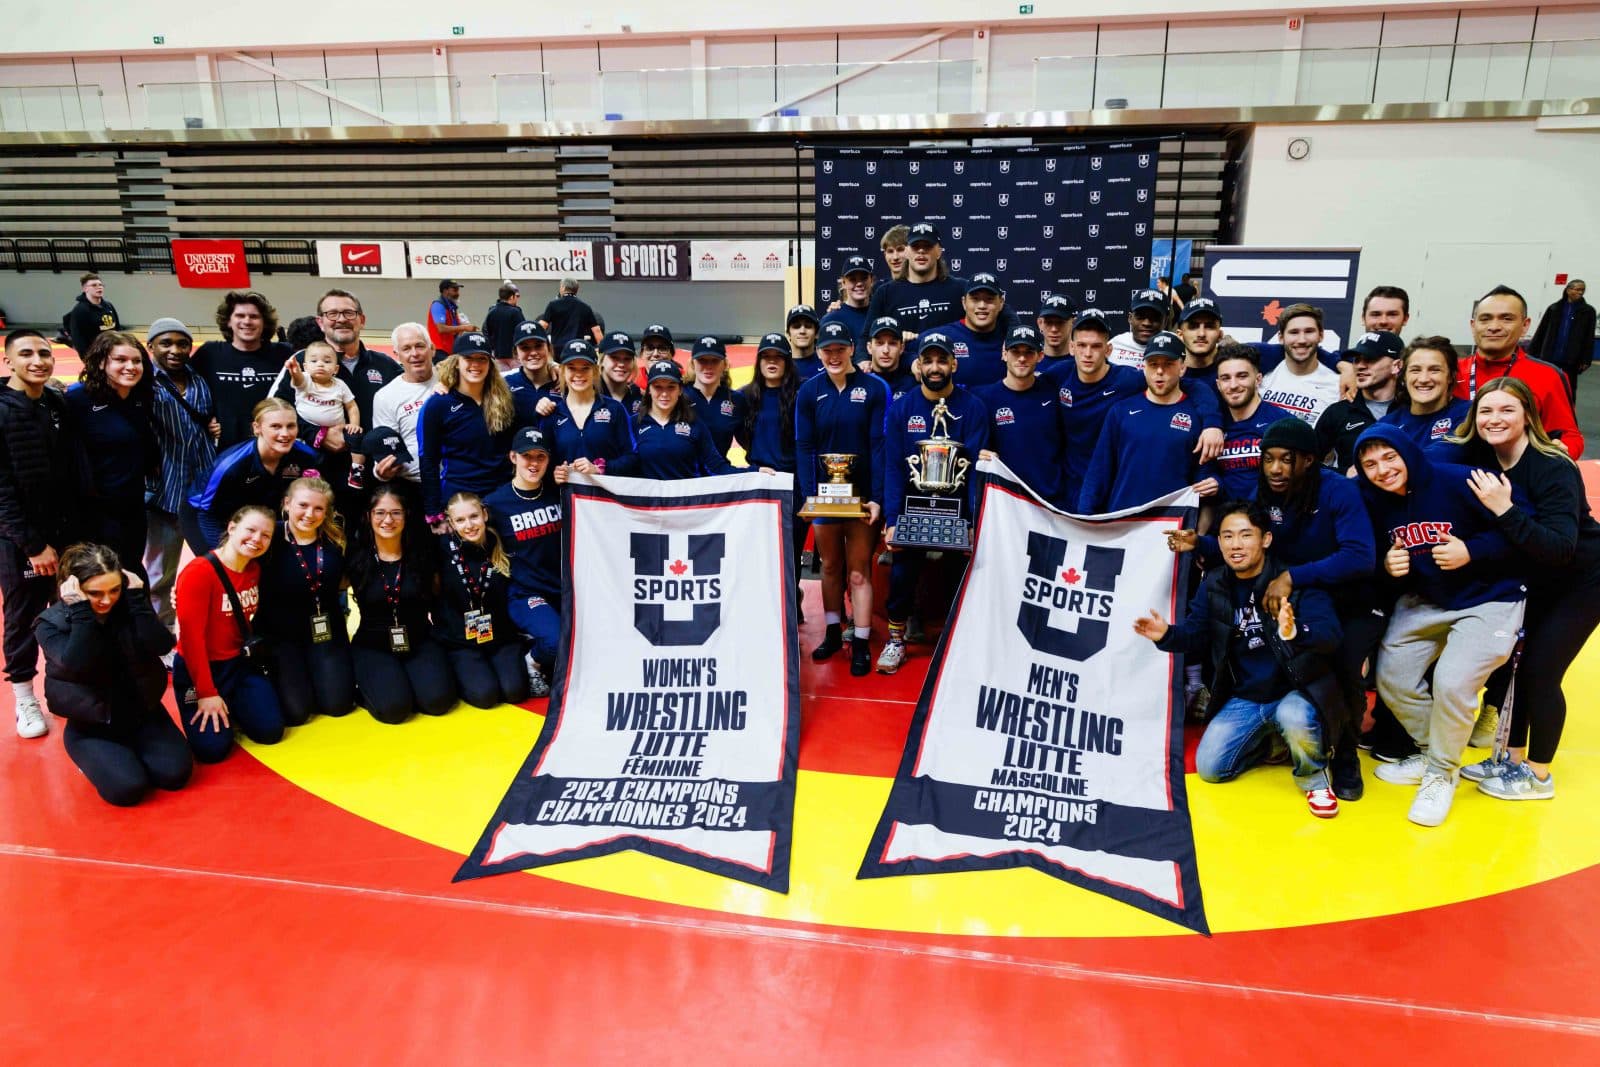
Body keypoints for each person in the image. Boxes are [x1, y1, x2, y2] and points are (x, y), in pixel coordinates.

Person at [1355, 424, 1525, 826]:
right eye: (1370, 464)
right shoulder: (1372, 500)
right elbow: (1371, 553)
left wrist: (1472, 550)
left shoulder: (1460, 479)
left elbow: (1523, 530)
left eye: (1389, 457)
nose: (1382, 470)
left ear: (1407, 454)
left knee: (1453, 679)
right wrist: (1386, 565)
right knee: (1392, 674)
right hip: (1429, 599)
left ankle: (1441, 773)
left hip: (1492, 597)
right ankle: (1433, 752)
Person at [1446, 378, 1600, 801]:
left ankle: (1538, 774)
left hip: (1582, 580)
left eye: (1506, 410)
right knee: (1515, 670)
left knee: (1541, 673)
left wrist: (1505, 509)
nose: (1495, 419)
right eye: (1486, 412)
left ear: (1528, 415)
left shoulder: (1553, 466)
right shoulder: (1484, 457)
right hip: (1536, 579)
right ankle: (1509, 759)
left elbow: (1560, 547)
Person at [1137, 502, 1343, 818]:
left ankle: (1314, 778)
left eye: (1246, 535)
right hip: (1246, 697)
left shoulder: (1292, 578)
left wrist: (1295, 631)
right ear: (1218, 542)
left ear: (1266, 540)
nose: (1235, 544)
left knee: (1293, 716)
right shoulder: (1214, 583)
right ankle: (1272, 743)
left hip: (1295, 691)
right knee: (1210, 769)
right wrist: (1166, 634)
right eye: (1227, 536)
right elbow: (1195, 635)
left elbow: (1330, 635)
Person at [35, 543, 192, 806]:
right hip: (92, 725)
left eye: (114, 589)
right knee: (128, 789)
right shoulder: (50, 623)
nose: (107, 600)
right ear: (73, 590)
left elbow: (162, 645)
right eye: (95, 593)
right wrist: (82, 613)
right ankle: (96, 758)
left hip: (144, 714)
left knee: (174, 775)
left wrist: (137, 601)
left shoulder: (129, 605)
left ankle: (128, 755)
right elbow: (78, 665)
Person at [879, 334, 989, 674]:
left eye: (942, 361)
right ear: (919, 366)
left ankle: (959, 639)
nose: (936, 367)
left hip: (955, 510)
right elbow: (894, 466)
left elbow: (975, 472)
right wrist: (893, 518)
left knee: (965, 575)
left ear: (953, 364)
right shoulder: (902, 408)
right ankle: (896, 639)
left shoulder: (972, 408)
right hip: (914, 508)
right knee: (902, 572)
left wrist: (972, 520)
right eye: (929, 361)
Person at [1, 328, 83, 739]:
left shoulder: (55, 404)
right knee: (23, 616)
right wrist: (32, 545)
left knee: (68, 607)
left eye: (45, 353)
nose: (38, 360)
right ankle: (23, 697)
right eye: (27, 354)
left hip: (64, 532)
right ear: (8, 361)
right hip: (21, 541)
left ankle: (63, 683)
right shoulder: (2, 410)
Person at [796, 322, 888, 675]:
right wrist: (809, 494)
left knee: (859, 572)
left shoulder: (874, 388)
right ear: (819, 352)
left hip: (861, 496)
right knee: (830, 568)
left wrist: (877, 497)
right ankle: (834, 633)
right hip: (825, 496)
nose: (833, 355)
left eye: (839, 348)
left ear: (852, 348)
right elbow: (805, 446)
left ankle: (861, 641)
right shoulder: (810, 392)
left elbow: (879, 444)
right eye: (827, 350)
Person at [172, 504, 286, 763]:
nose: (257, 539)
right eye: (250, 530)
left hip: (238, 663)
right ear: (232, 528)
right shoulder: (199, 572)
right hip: (199, 666)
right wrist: (206, 692)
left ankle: (235, 704)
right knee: (213, 750)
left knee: (270, 731)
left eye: (265, 535)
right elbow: (191, 641)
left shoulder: (254, 570)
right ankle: (220, 704)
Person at [345, 487, 457, 723]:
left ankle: (407, 681)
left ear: (406, 516)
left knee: (437, 703)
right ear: (369, 516)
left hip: (419, 639)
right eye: (380, 513)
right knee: (394, 711)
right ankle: (375, 684)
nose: (388, 520)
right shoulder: (355, 556)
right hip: (373, 644)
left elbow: (438, 597)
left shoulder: (423, 553)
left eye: (396, 513)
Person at [1078, 332, 1220, 515]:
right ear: (1144, 367)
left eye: (1168, 364)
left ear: (1182, 367)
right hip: (1122, 523)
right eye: (1153, 364)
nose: (1160, 371)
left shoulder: (1198, 416)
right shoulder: (1121, 411)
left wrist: (1216, 483)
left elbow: (1205, 477)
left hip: (1171, 527)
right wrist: (1084, 518)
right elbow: (1099, 472)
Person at [254, 477, 356, 725]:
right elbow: (229, 559)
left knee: (338, 705)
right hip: (282, 636)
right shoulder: (269, 535)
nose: (310, 514)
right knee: (297, 713)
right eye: (303, 505)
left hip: (324, 632)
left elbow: (348, 579)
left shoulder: (335, 539)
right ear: (287, 504)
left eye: (319, 508)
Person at [144, 318, 220, 629]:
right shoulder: (143, 382)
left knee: (218, 567)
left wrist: (216, 425)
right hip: (164, 491)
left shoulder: (200, 379)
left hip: (204, 489)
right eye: (166, 343)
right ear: (151, 347)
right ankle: (162, 636)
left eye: (182, 343)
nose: (175, 350)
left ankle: (216, 630)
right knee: (160, 574)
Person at [65, 331, 160, 581]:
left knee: (131, 568)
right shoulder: (78, 400)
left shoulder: (140, 397)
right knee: (101, 575)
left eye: (136, 361)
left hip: (133, 504)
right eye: (120, 360)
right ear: (100, 362)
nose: (130, 367)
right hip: (95, 510)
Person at [1453, 285, 1583, 457]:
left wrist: (1559, 454)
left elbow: (1570, 437)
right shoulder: (1450, 372)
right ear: (1473, 325)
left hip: (1517, 477)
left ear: (1524, 325)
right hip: (1455, 471)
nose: (1494, 326)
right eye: (1485, 319)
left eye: (1506, 319)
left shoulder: (1548, 376)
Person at [484, 428, 564, 698]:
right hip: (526, 594)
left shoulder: (560, 493)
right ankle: (532, 660)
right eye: (526, 456)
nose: (533, 463)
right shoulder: (495, 504)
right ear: (513, 457)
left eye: (540, 457)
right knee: (555, 642)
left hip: (564, 590)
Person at [184, 396, 319, 554]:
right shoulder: (230, 465)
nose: (285, 434)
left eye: (290, 426)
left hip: (258, 517)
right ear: (257, 428)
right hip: (206, 514)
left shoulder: (306, 457)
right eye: (275, 426)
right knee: (226, 566)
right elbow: (207, 512)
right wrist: (223, 554)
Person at [435, 492, 530, 709]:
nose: (469, 525)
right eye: (460, 520)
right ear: (451, 523)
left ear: (484, 514)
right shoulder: (440, 549)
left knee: (514, 691)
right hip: (461, 642)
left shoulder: (502, 543)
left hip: (501, 637)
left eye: (473, 516)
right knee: (485, 696)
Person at [417, 333, 518, 532]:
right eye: (468, 358)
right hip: (460, 498)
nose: (475, 364)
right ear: (456, 362)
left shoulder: (505, 399)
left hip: (500, 495)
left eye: (481, 359)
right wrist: (434, 511)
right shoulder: (439, 404)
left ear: (490, 364)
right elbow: (428, 460)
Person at [736, 335, 805, 613]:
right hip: (760, 480)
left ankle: (790, 605)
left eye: (778, 357)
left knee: (791, 551)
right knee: (759, 549)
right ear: (759, 361)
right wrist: (758, 459)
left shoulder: (801, 394)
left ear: (787, 361)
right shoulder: (744, 396)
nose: (772, 362)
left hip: (794, 482)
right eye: (767, 357)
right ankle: (763, 609)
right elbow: (741, 434)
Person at [975, 325, 1070, 505]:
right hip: (1006, 502)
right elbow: (975, 446)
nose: (1021, 358)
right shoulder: (984, 399)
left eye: (1029, 352)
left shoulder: (1054, 391)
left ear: (1040, 356)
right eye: (1015, 351)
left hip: (1050, 501)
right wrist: (978, 454)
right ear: (1004, 354)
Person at [191, 290, 292, 448]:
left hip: (275, 447)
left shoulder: (284, 353)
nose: (247, 321)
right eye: (240, 316)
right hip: (225, 450)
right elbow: (187, 391)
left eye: (254, 316)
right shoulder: (209, 353)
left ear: (264, 322)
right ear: (229, 321)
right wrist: (205, 419)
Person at [534, 338, 639, 478]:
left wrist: (600, 468)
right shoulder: (553, 414)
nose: (578, 374)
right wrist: (555, 474)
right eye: (571, 367)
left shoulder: (615, 409)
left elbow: (632, 458)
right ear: (562, 371)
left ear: (595, 371)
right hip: (567, 497)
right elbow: (542, 461)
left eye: (585, 368)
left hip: (606, 497)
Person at [632, 361, 745, 480]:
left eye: (671, 387)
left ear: (680, 390)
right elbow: (623, 464)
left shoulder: (694, 424)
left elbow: (716, 467)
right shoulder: (634, 424)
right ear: (649, 390)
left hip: (684, 497)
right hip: (647, 497)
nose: (664, 393)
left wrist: (755, 472)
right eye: (657, 387)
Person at [1212, 344, 1296, 500]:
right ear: (1218, 384)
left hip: (1272, 517)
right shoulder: (1214, 425)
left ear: (1258, 379)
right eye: (1226, 378)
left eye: (1242, 376)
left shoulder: (1284, 423)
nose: (1233, 385)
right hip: (1226, 519)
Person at [865, 223, 973, 343]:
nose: (921, 251)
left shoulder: (961, 289)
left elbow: (991, 314)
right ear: (907, 252)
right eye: (915, 246)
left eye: (927, 246)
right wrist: (894, 337)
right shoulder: (885, 293)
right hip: (904, 361)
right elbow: (867, 338)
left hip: (948, 360)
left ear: (939, 251)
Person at [1315, 330, 1403, 473]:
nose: (1360, 366)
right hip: (1350, 494)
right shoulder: (1338, 412)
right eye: (1356, 359)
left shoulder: (1413, 409)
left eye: (1370, 358)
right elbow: (1307, 463)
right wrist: (1343, 476)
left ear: (1397, 366)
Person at [369, 322, 439, 499]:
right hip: (415, 488)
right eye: (406, 348)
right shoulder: (386, 396)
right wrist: (381, 472)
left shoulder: (452, 378)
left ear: (432, 349)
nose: (414, 354)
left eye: (420, 346)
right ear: (397, 356)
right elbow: (385, 446)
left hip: (459, 481)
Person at [1259, 303, 1343, 427]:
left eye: (1309, 331)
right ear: (1281, 338)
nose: (1302, 340)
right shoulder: (1263, 375)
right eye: (1294, 332)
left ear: (1321, 335)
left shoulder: (1338, 386)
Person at [1381, 337, 1471, 449]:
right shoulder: (1386, 426)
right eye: (1415, 370)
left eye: (1435, 370)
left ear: (1451, 376)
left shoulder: (1469, 415)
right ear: (1404, 376)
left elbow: (1448, 456)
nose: (1424, 379)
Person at [926, 272, 1009, 388]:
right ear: (964, 303)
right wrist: (911, 362)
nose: (982, 305)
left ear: (1001, 303)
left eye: (989, 299)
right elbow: (904, 352)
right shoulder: (942, 336)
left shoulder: (1010, 340)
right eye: (975, 299)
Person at [285, 340, 361, 446]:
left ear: (336, 369)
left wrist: (354, 424)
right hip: (307, 434)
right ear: (305, 367)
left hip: (337, 432)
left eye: (327, 362)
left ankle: (356, 463)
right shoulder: (306, 379)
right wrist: (295, 373)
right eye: (314, 361)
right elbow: (298, 381)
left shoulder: (340, 385)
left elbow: (351, 406)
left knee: (356, 440)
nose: (320, 364)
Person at [685, 335, 748, 457]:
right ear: (693, 364)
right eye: (702, 360)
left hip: (719, 473)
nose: (709, 366)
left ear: (725, 365)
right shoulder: (679, 396)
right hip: (685, 473)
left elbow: (749, 443)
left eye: (715, 360)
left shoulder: (736, 400)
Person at [1529, 279, 1593, 396]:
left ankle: (1568, 411)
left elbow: (1589, 337)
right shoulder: (1554, 308)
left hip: (1571, 357)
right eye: (1577, 289)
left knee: (1568, 388)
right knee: (1544, 384)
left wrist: (1586, 359)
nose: (1580, 293)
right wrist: (1532, 352)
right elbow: (1541, 331)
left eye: (1582, 290)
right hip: (1550, 355)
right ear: (1568, 290)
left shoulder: (1588, 312)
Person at [820, 255, 876, 356]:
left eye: (863, 278)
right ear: (844, 283)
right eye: (853, 279)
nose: (859, 284)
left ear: (871, 280)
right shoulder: (831, 318)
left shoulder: (880, 313)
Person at [504, 320, 560, 409]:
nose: (533, 353)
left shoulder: (563, 382)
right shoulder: (505, 384)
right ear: (516, 353)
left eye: (538, 346)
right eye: (525, 348)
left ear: (548, 348)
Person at [1108, 288, 1168, 369]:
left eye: (1155, 318)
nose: (1146, 323)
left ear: (1165, 322)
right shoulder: (1115, 344)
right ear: (1130, 318)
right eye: (1140, 316)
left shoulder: (1175, 346)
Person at [65, 272, 121, 356]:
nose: (99, 287)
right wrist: (87, 357)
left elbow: (117, 328)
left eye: (100, 285)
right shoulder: (80, 310)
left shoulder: (108, 305)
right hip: (95, 354)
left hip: (112, 350)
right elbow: (78, 339)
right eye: (94, 285)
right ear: (85, 289)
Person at [1175, 297, 1225, 390]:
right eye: (1193, 326)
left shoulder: (1233, 371)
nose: (1201, 334)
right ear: (1180, 335)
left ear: (1220, 335)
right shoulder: (1169, 374)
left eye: (1209, 326)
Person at [538, 277, 602, 347]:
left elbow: (543, 325)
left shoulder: (553, 305)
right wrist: (602, 350)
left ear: (563, 287)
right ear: (576, 290)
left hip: (558, 348)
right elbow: (596, 330)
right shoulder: (585, 307)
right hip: (577, 347)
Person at [864, 316, 916, 403]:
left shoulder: (913, 385)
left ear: (902, 348)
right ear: (869, 348)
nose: (886, 350)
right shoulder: (858, 383)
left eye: (892, 343)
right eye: (880, 343)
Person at [482, 281, 526, 368]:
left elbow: (486, 332)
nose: (517, 299)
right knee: (517, 379)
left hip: (498, 355)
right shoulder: (515, 312)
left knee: (503, 380)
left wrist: (493, 349)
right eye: (516, 296)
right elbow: (523, 332)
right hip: (514, 355)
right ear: (511, 296)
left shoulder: (492, 312)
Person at [427, 279, 473, 361]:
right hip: (440, 350)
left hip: (450, 349)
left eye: (458, 290)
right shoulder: (438, 305)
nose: (458, 293)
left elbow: (454, 327)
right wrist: (464, 328)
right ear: (445, 291)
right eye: (455, 290)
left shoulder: (451, 307)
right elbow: (441, 328)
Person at [601, 330, 644, 412]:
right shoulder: (589, 394)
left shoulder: (640, 397)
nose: (621, 364)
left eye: (627, 359)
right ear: (602, 360)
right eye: (614, 358)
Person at [1035, 293, 1077, 374]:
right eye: (1049, 322)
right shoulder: (1028, 362)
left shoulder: (1084, 363)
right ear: (1040, 323)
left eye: (1060, 323)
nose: (1054, 329)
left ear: (1073, 323)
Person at [787, 304, 822, 378]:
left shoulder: (826, 364)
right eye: (796, 326)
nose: (802, 331)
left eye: (808, 326)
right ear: (788, 334)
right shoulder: (780, 365)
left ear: (817, 333)